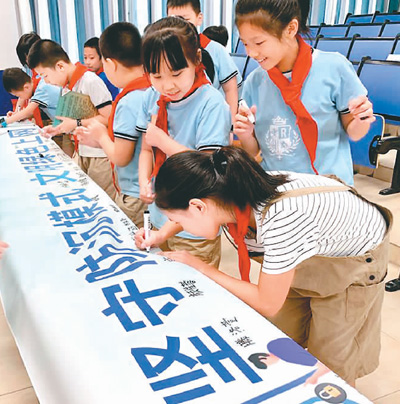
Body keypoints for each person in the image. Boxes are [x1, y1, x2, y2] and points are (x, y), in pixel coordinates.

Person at [151, 146, 392, 386]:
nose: (174, 223)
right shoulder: (226, 190)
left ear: (198, 206)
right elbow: (190, 207)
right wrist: (161, 235)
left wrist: (202, 268)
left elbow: (267, 302)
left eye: (173, 219)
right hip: (312, 248)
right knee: (279, 336)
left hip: (355, 260)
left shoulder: (282, 220)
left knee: (329, 358)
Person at [233, 0, 374, 186]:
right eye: (245, 43)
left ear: (291, 29)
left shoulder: (334, 67)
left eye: (259, 42)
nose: (251, 53)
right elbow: (253, 152)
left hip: (327, 186)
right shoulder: (255, 81)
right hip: (276, 186)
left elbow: (355, 134)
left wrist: (362, 118)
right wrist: (245, 134)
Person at [134, 16, 230, 266]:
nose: (167, 85)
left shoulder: (211, 104)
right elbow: (147, 149)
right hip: (161, 215)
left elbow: (207, 170)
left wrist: (164, 141)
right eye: (156, 76)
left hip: (194, 229)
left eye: (176, 73)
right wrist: (144, 181)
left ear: (197, 59)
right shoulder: (152, 97)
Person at [76, 22, 151, 228]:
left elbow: (121, 157)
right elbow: (134, 143)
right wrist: (100, 140)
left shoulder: (129, 101)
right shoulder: (150, 88)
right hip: (148, 188)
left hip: (135, 193)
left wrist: (101, 135)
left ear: (110, 63)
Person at [27, 39, 116, 199]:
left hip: (100, 155)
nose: (46, 81)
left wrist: (76, 123)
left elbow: (109, 118)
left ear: (60, 66)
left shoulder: (90, 80)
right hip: (82, 150)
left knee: (103, 199)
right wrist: (56, 129)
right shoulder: (67, 86)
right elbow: (69, 120)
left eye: (45, 75)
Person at [167, 0, 242, 122]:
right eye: (173, 19)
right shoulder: (165, 52)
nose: (178, 26)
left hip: (211, 117)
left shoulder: (215, 49)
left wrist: (231, 121)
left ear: (199, 18)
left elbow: (231, 88)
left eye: (185, 19)